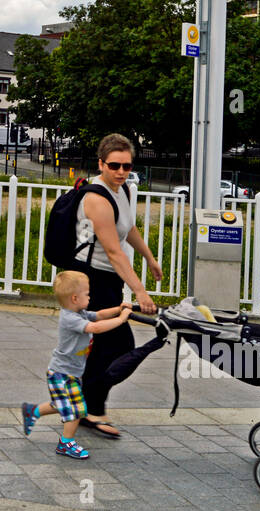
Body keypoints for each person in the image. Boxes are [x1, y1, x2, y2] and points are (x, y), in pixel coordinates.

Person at [73, 133, 163, 439]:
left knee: (105, 347)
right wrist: (140, 291)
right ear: (101, 163)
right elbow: (112, 251)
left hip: (108, 280)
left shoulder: (120, 190)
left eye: (126, 165)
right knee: (118, 345)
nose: (121, 171)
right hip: (92, 282)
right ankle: (92, 410)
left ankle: (84, 402)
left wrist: (149, 258)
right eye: (115, 165)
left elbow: (129, 229)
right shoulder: (97, 198)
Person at [21, 270, 132, 459]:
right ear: (74, 298)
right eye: (87, 294)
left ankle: (33, 411)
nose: (90, 297)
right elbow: (95, 328)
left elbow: (98, 316)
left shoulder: (80, 313)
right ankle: (66, 443)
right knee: (75, 409)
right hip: (61, 373)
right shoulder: (70, 318)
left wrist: (118, 309)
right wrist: (121, 320)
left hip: (71, 373)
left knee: (61, 404)